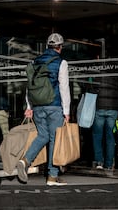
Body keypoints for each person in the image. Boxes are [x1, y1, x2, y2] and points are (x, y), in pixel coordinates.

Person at [17, 33, 71, 186]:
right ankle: (52, 176)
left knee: (43, 135)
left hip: (38, 106)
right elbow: (64, 87)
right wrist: (66, 111)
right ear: (59, 47)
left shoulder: (35, 62)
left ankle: (25, 160)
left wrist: (29, 106)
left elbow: (30, 85)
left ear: (48, 46)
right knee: (55, 139)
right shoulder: (61, 62)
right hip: (54, 106)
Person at [92, 75, 118, 170]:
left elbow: (90, 88)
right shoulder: (115, 76)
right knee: (110, 137)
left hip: (99, 107)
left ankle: (99, 162)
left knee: (97, 136)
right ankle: (109, 164)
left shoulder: (98, 75)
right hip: (113, 108)